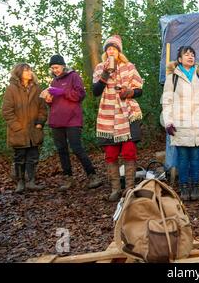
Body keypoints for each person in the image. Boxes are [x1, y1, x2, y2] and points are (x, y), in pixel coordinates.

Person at [92, 35, 144, 201]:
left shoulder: (129, 67)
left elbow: (139, 90)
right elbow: (95, 91)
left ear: (119, 51)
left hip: (128, 111)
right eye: (108, 48)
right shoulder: (100, 67)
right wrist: (106, 74)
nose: (111, 50)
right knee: (111, 153)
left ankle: (129, 188)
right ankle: (115, 189)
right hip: (108, 113)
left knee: (129, 151)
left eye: (113, 48)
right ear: (105, 52)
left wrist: (130, 92)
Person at [41, 54, 102, 191]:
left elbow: (80, 95)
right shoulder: (53, 81)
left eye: (56, 67)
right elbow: (55, 103)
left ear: (63, 65)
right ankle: (68, 178)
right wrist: (49, 100)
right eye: (52, 68)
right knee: (62, 150)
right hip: (57, 120)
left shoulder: (74, 76)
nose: (54, 70)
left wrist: (62, 92)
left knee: (76, 148)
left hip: (72, 120)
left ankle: (92, 175)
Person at [161, 46, 199, 201]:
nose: (190, 56)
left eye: (192, 54)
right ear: (179, 59)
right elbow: (167, 101)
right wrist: (168, 122)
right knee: (183, 158)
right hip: (180, 123)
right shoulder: (173, 77)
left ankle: (196, 186)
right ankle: (184, 187)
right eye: (187, 54)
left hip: (198, 123)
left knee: (196, 157)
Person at [2, 63, 47, 193]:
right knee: (19, 158)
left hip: (34, 130)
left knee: (33, 156)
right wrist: (17, 127)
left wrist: (40, 122)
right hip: (18, 131)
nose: (29, 72)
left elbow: (42, 109)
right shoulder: (11, 89)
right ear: (19, 73)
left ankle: (31, 182)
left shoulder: (37, 88)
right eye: (26, 71)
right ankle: (20, 183)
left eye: (30, 70)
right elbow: (6, 111)